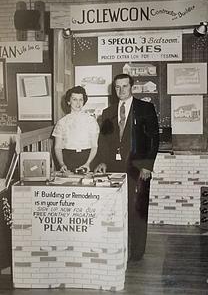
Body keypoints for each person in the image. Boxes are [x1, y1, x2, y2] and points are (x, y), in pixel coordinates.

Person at [95, 73, 159, 261]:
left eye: (124, 86)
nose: (121, 90)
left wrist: (147, 165)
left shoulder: (145, 108)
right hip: (114, 168)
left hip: (139, 169)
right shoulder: (108, 112)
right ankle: (117, 248)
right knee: (115, 209)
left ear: (132, 87)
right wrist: (102, 161)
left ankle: (137, 252)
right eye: (117, 87)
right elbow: (104, 142)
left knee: (137, 210)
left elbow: (154, 138)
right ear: (113, 89)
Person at [52, 86, 99, 173]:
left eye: (80, 99)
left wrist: (87, 163)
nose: (78, 103)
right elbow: (57, 147)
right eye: (74, 99)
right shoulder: (62, 122)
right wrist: (62, 164)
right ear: (69, 101)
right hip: (68, 159)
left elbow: (94, 146)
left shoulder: (91, 121)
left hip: (87, 158)